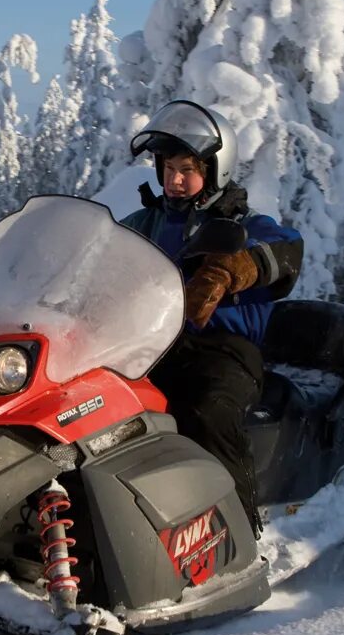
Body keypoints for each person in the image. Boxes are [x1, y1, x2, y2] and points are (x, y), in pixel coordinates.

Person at [119, 100, 302, 513]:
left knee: (206, 410)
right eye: (168, 169)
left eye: (187, 170)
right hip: (150, 346)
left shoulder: (245, 224)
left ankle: (237, 521)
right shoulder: (143, 224)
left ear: (214, 170)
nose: (174, 180)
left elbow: (287, 251)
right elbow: (98, 253)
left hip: (224, 350)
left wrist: (234, 268)